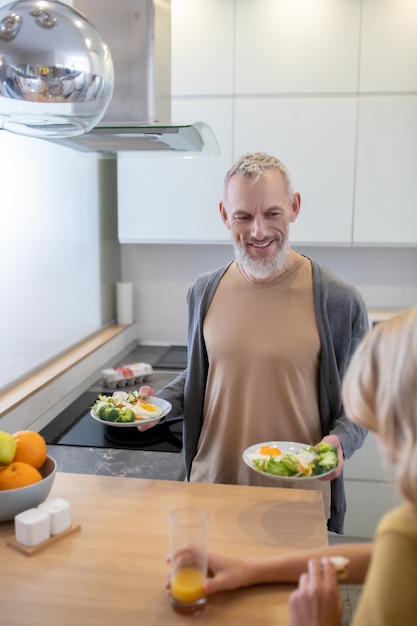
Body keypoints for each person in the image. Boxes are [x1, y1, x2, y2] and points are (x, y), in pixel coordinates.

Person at [140, 151, 369, 533]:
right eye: (243, 216)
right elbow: (207, 375)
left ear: (294, 207)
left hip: (296, 497)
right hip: (210, 489)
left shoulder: (338, 300)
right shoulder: (204, 291)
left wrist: (338, 444)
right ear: (224, 215)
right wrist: (159, 404)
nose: (258, 231)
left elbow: (362, 405)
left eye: (272, 214)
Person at [197, 306, 417, 626]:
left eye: (380, 424)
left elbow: (396, 551)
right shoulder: (403, 533)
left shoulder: (403, 531)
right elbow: (380, 557)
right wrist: (251, 570)